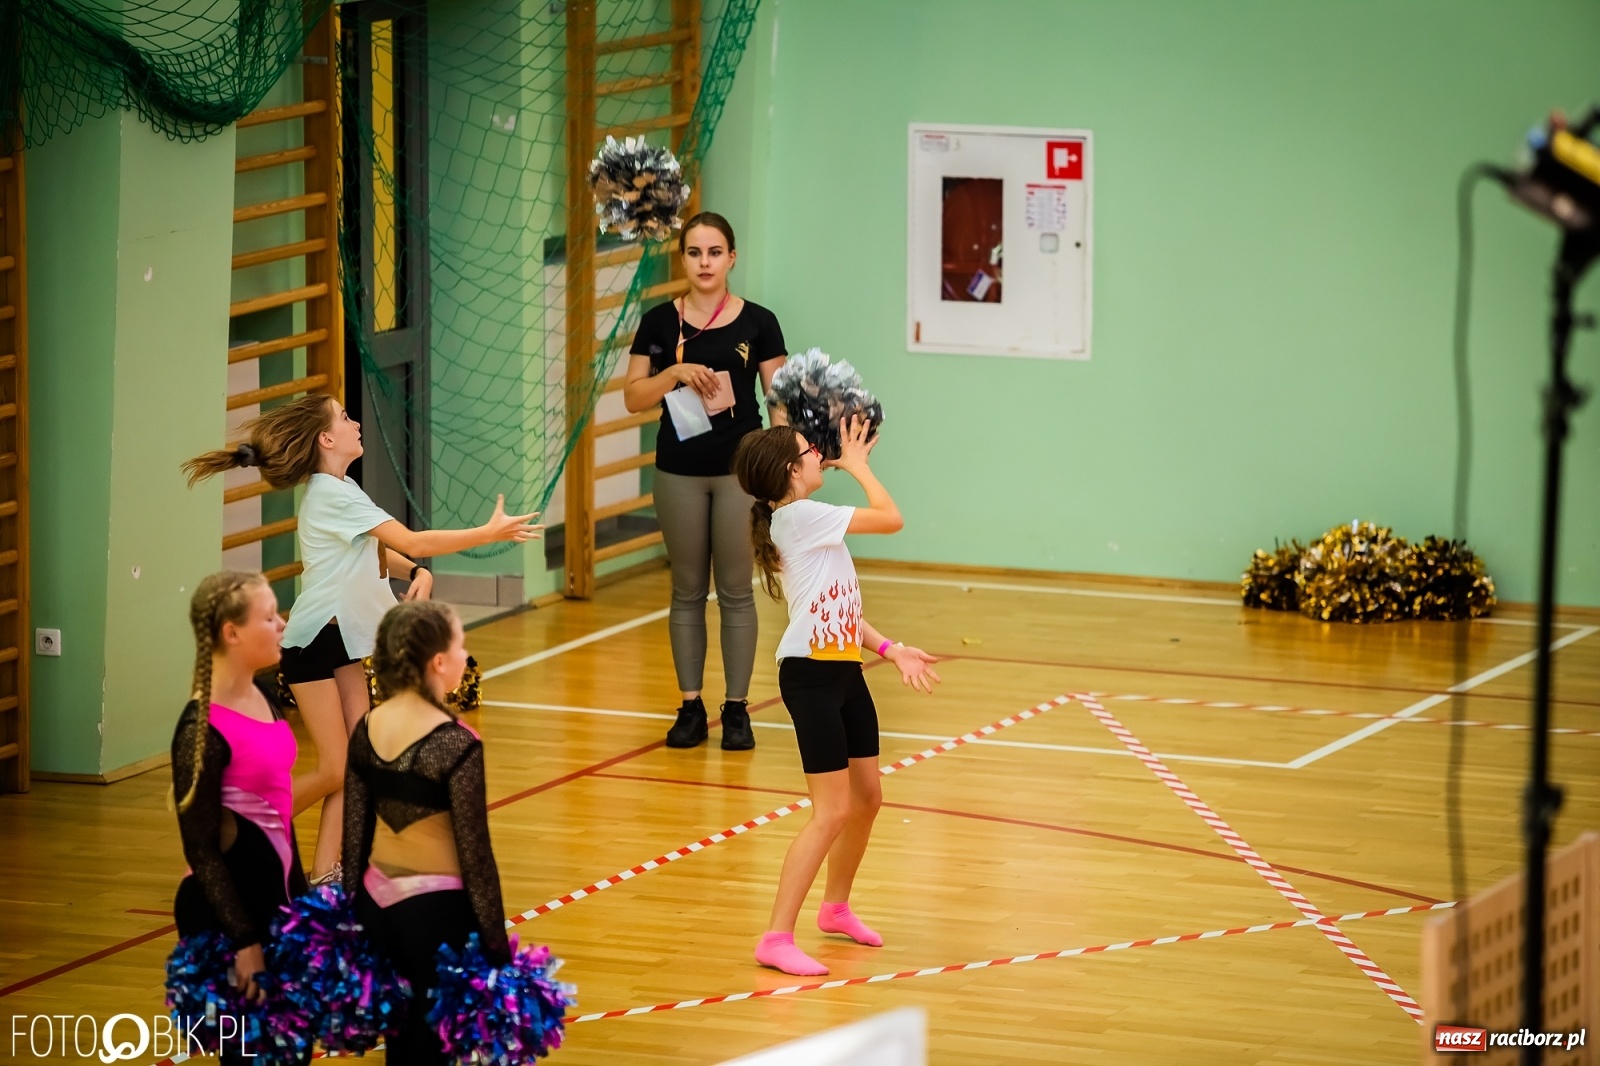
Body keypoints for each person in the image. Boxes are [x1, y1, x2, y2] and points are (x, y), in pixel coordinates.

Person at [184, 395, 540, 881]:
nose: (355, 424)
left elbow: (381, 550)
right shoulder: (330, 494)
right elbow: (411, 539)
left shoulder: (341, 487)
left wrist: (415, 570)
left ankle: (325, 874)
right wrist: (486, 533)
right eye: (345, 418)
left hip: (344, 645)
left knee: (356, 764)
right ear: (327, 439)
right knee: (334, 767)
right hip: (313, 645)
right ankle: (237, 833)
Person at [731, 417, 941, 976]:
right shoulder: (797, 516)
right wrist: (860, 466)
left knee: (868, 797)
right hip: (810, 675)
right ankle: (775, 937)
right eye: (809, 451)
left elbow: (839, 606)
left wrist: (890, 648)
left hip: (843, 667)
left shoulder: (806, 522)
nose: (819, 455)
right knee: (831, 811)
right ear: (789, 470)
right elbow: (892, 519)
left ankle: (836, 908)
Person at [622, 212, 787, 751]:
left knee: (737, 592)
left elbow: (779, 404)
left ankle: (737, 711)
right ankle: (690, 706)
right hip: (679, 472)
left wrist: (785, 474)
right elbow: (633, 398)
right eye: (694, 253)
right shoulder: (657, 324)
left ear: (732, 258)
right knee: (687, 590)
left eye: (715, 252)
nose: (705, 262)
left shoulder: (760, 322)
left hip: (740, 473)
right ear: (683, 259)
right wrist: (672, 372)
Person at [342, 600, 509, 1066]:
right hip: (435, 917)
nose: (465, 654)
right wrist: (496, 948)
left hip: (377, 907)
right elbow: (476, 856)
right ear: (438, 662)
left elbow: (354, 838)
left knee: (401, 1044)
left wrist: (355, 923)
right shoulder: (456, 742)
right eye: (461, 644)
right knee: (433, 1048)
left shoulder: (366, 727)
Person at [169, 571, 308, 1063]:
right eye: (268, 617)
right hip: (230, 912)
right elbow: (200, 849)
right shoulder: (200, 730)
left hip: (278, 899)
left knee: (292, 1051)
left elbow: (281, 811)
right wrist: (244, 941)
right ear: (231, 632)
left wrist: (304, 904)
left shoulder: (266, 698)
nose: (281, 624)